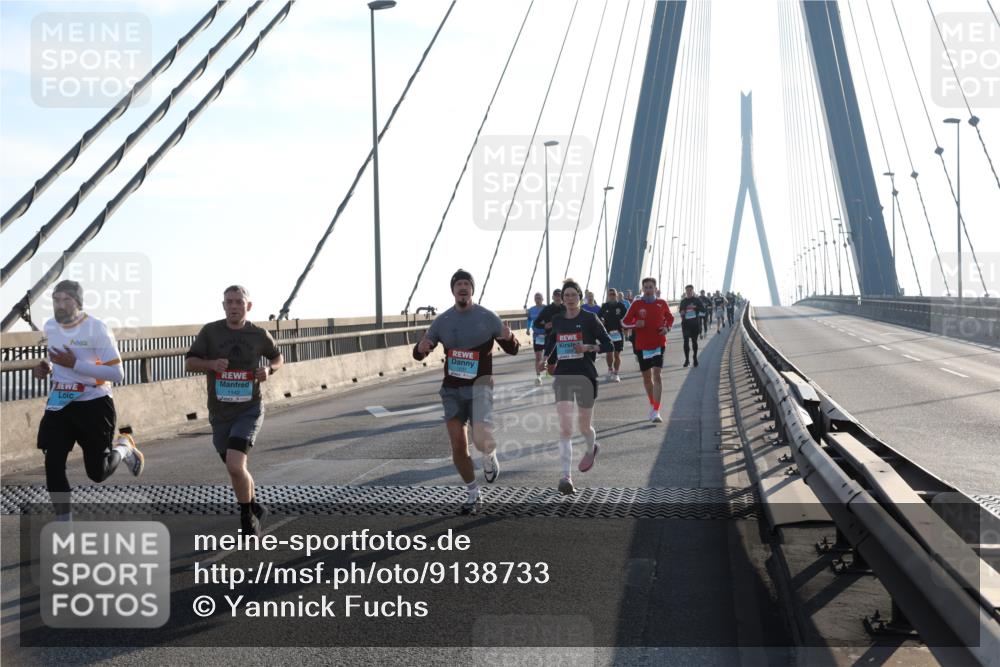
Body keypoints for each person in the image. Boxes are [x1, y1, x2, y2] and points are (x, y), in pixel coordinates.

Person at [34, 280, 144, 521]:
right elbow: (57, 358)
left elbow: (117, 374)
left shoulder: (97, 328)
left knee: (97, 472)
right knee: (53, 463)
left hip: (94, 404)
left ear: (79, 302)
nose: (60, 305)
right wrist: (47, 366)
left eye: (66, 300)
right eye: (56, 299)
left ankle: (124, 448)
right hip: (60, 403)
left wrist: (73, 364)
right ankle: (65, 526)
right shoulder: (51, 326)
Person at [413, 269, 519, 514]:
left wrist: (509, 335)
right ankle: (473, 493)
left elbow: (512, 349)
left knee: (481, 440)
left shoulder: (487, 317)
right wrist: (420, 348)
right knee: (458, 446)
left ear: (472, 289)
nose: (462, 287)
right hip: (452, 390)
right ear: (453, 290)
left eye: (466, 284)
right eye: (458, 284)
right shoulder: (443, 321)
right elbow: (420, 353)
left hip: (480, 387)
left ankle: (489, 454)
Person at [185, 285, 284, 537]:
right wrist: (211, 364)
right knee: (236, 468)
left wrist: (269, 370)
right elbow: (189, 362)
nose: (233, 306)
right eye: (229, 302)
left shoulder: (259, 334)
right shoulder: (210, 332)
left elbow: (277, 357)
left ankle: (246, 516)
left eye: (238, 302)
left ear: (248, 306)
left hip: (249, 408)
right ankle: (254, 505)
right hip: (219, 411)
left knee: (235, 465)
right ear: (223, 306)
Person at [543, 279, 613, 495]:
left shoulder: (590, 318)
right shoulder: (557, 319)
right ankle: (566, 476)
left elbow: (609, 344)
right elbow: (553, 343)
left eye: (574, 295)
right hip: (564, 376)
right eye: (566, 296)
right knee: (565, 428)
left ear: (580, 297)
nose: (570, 299)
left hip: (585, 375)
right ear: (562, 299)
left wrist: (587, 347)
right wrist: (546, 359)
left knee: (584, 427)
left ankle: (592, 446)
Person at [622, 277, 675, 423]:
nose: (648, 290)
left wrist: (666, 328)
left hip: (659, 342)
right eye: (646, 287)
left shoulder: (662, 303)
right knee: (647, 377)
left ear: (655, 289)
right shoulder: (637, 304)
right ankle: (652, 404)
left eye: (651, 287)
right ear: (642, 289)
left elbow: (670, 318)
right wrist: (634, 325)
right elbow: (624, 322)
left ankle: (657, 410)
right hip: (642, 345)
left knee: (657, 375)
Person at [532, 288, 565, 384]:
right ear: (552, 297)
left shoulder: (566, 308)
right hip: (550, 339)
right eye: (556, 295)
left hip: (564, 339)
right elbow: (536, 323)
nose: (557, 297)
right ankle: (556, 376)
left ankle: (562, 379)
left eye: (559, 295)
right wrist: (544, 325)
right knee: (550, 367)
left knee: (563, 361)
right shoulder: (547, 309)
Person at [598, 288, 628, 382]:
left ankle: (616, 373)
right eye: (610, 294)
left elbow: (627, 317)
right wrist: (601, 321)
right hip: (607, 333)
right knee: (609, 353)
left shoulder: (621, 306)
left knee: (617, 354)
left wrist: (625, 327)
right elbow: (598, 318)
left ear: (616, 295)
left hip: (618, 333)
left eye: (613, 294)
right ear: (608, 296)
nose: (612, 296)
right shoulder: (604, 306)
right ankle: (610, 370)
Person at [677, 284, 705, 368]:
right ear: (685, 291)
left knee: (694, 342)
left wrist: (695, 307)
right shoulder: (683, 301)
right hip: (685, 324)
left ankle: (695, 358)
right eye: (687, 290)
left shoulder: (697, 300)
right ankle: (687, 360)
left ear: (692, 291)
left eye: (690, 290)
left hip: (695, 324)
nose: (688, 292)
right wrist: (682, 311)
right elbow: (681, 311)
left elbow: (703, 310)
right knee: (685, 342)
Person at [526, 292, 546, 385]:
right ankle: (538, 377)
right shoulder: (531, 310)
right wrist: (528, 329)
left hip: (548, 335)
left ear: (543, 299)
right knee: (538, 357)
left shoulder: (546, 309)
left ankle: (550, 370)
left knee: (549, 356)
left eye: (539, 297)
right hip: (537, 336)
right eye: (536, 297)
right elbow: (529, 320)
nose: (538, 299)